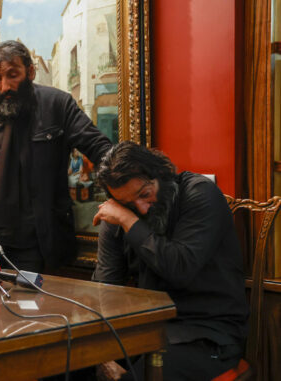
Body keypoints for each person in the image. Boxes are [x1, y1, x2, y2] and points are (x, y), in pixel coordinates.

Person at [0, 40, 112, 273]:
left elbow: (98, 146)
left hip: (35, 243)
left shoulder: (57, 105)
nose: (4, 86)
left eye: (13, 75)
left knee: (33, 307)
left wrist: (122, 186)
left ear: (30, 72)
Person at [92, 141, 248, 380]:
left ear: (160, 174)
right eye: (127, 204)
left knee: (139, 375)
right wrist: (101, 351)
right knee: (67, 365)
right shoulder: (117, 215)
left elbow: (180, 268)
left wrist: (128, 220)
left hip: (207, 335)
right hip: (146, 331)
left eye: (145, 194)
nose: (141, 209)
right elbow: (106, 288)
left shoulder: (199, 193)